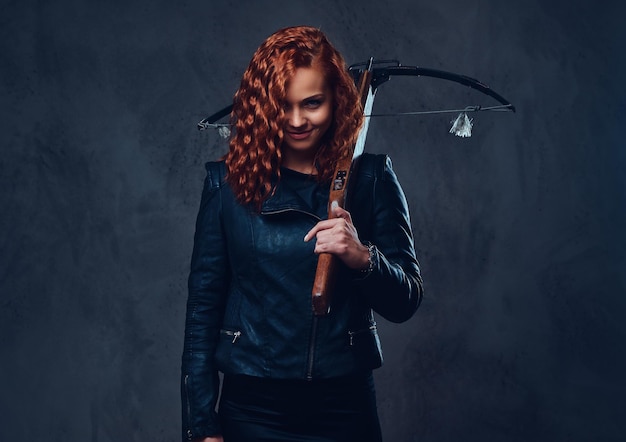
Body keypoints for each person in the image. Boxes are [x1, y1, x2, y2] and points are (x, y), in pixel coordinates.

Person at [181, 25, 423, 442]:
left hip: (344, 408)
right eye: (283, 106)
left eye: (312, 104)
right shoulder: (226, 186)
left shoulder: (371, 179)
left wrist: (362, 257)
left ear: (338, 100)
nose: (296, 121)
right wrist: (201, 425)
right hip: (252, 410)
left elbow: (405, 301)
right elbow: (202, 312)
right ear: (263, 106)